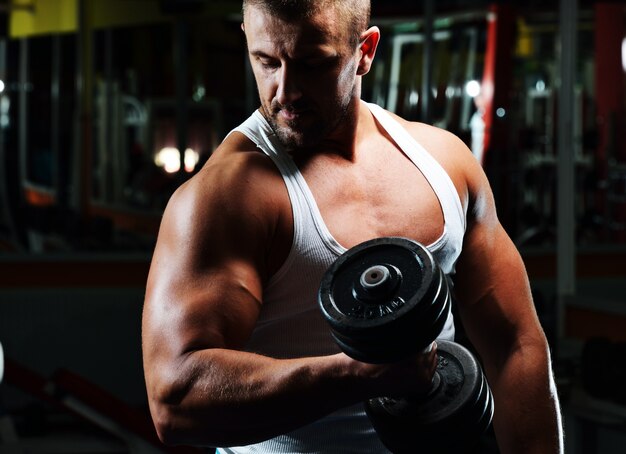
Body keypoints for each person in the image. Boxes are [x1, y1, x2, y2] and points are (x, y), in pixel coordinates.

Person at [141, 0, 564, 452]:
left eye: (312, 63)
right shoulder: (228, 197)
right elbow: (176, 399)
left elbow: (515, 345)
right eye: (266, 61)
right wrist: (358, 376)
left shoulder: (444, 164)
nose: (285, 90)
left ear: (364, 50)